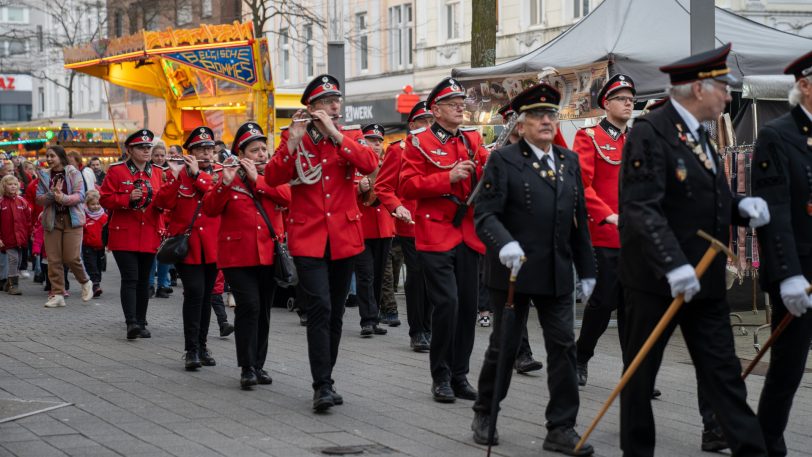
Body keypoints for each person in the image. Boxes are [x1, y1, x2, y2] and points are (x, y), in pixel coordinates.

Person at [618, 43, 770, 457]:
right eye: (723, 88)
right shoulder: (651, 133)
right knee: (640, 376)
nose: (728, 96)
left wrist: (742, 208)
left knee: (723, 371)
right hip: (656, 281)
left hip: (704, 278)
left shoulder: (700, 134)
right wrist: (673, 264)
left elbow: (709, 200)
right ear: (699, 90)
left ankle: (750, 449)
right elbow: (641, 207)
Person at [470, 83, 597, 455]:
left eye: (551, 115)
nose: (546, 121)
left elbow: (579, 220)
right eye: (538, 116)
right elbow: (485, 214)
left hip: (556, 271)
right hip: (512, 271)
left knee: (563, 348)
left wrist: (587, 269)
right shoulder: (504, 160)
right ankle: (485, 412)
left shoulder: (568, 160)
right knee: (505, 346)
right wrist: (504, 242)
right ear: (521, 125)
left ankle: (561, 426)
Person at [265, 74, 378, 411]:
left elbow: (371, 164)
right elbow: (272, 179)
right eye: (328, 101)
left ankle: (327, 377)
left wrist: (335, 133)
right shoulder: (292, 136)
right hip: (309, 236)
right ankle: (321, 385)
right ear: (311, 107)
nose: (335, 106)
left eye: (337, 100)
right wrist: (292, 144)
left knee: (337, 312)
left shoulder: (348, 136)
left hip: (343, 236)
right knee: (320, 308)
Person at [399, 77, 488, 403]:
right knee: (447, 304)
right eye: (453, 104)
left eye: (462, 102)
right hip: (435, 231)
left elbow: (484, 174)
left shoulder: (472, 139)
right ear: (435, 110)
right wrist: (445, 178)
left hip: (467, 232)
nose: (460, 107)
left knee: (467, 307)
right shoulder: (419, 141)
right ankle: (440, 376)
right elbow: (407, 186)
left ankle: (459, 374)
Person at [752, 50, 812, 457]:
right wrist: (787, 273)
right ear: (804, 85)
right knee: (789, 366)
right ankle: (766, 440)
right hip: (800, 271)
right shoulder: (778, 135)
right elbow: (774, 212)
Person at [204, 122, 290, 388]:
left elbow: (288, 198)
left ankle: (258, 365)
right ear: (241, 154)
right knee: (249, 306)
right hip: (237, 255)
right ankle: (246, 366)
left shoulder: (273, 175)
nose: (262, 154)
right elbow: (210, 209)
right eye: (255, 150)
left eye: (264, 149)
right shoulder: (228, 175)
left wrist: (259, 180)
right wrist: (225, 184)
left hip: (268, 254)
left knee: (263, 311)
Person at [572, 74, 635, 386]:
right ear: (606, 103)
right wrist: (608, 216)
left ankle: (634, 372)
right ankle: (581, 356)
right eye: (622, 98)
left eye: (631, 99)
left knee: (632, 306)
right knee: (602, 302)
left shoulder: (637, 139)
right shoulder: (590, 137)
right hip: (603, 234)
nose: (628, 103)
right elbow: (582, 185)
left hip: (635, 238)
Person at [156, 126, 222, 370]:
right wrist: (174, 177)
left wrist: (197, 175)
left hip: (213, 245)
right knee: (194, 293)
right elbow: (162, 202)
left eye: (209, 149)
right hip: (188, 246)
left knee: (207, 297)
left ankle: (202, 346)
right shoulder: (179, 174)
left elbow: (216, 198)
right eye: (200, 149)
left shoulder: (219, 173)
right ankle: (191, 349)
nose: (206, 154)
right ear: (190, 152)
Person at [375, 101, 434, 351]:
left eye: (433, 121)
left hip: (439, 224)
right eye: (425, 121)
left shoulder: (442, 147)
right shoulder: (399, 150)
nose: (430, 126)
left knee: (434, 277)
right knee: (418, 276)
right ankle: (418, 331)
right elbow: (383, 186)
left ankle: (430, 327)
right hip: (411, 223)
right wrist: (397, 206)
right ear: (413, 125)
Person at [492, 102, 545, 375]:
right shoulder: (497, 156)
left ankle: (516, 352)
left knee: (522, 297)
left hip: (533, 239)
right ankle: (517, 354)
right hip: (504, 240)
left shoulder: (537, 155)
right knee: (509, 300)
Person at [99, 130, 165, 339]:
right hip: (124, 234)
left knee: (144, 280)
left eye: (148, 148)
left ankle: (141, 320)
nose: (146, 151)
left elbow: (163, 201)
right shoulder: (117, 171)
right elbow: (105, 199)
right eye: (141, 148)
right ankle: (131, 323)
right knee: (130, 278)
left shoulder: (157, 172)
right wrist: (126, 198)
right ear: (130, 150)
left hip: (150, 233)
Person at [35, 145, 94, 308]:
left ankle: (86, 282)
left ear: (60, 157)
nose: (48, 159)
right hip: (52, 220)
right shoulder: (44, 175)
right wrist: (52, 195)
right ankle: (58, 293)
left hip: (72, 220)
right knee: (53, 259)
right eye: (47, 156)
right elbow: (38, 199)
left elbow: (81, 196)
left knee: (71, 257)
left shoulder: (73, 172)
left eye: (52, 156)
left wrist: (62, 198)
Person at [353, 123, 394, 337]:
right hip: (361, 227)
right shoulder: (353, 163)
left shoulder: (387, 164)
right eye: (371, 140)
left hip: (384, 227)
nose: (376, 144)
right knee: (366, 274)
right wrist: (358, 188)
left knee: (378, 275)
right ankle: (367, 320)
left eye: (379, 141)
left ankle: (374, 315)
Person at [0, 175, 31, 295]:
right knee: (13, 259)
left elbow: (27, 220)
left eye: (15, 184)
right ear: (4, 186)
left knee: (18, 261)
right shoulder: (1, 202)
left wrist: (29, 234)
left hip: (21, 238)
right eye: (10, 184)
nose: (13, 186)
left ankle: (9, 282)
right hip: (7, 238)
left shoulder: (22, 201)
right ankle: (14, 285)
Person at [149, 142, 172, 299]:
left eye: (162, 155)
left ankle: (163, 284)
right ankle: (150, 283)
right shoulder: (149, 171)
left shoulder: (171, 171)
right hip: (154, 216)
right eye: (156, 155)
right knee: (152, 253)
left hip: (169, 217)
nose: (159, 158)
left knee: (165, 254)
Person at [81, 190, 107, 298]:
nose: (96, 206)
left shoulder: (104, 217)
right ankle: (95, 285)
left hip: (100, 246)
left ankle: (96, 283)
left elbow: (107, 232)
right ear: (87, 204)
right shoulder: (84, 216)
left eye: (98, 204)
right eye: (93, 204)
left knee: (99, 266)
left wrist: (108, 244)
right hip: (88, 246)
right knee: (91, 266)